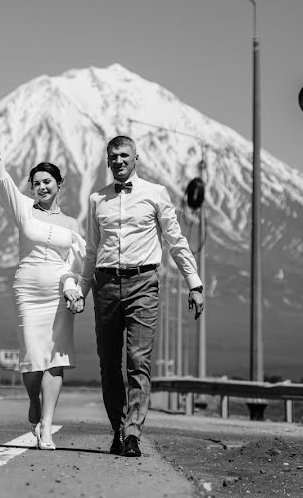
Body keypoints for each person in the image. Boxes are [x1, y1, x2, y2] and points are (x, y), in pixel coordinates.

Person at [77, 135, 204, 457]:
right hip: (105, 284)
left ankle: (133, 432)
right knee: (108, 363)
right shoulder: (96, 200)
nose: (118, 161)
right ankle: (117, 430)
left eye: (124, 155)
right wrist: (80, 291)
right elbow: (91, 250)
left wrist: (194, 283)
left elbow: (175, 240)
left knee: (138, 360)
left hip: (143, 283)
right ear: (107, 161)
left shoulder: (155, 194)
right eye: (113, 156)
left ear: (136, 158)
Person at [0, 117, 85, 450]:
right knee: (32, 360)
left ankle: (47, 427)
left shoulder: (72, 223)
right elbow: (1, 176)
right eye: (36, 182)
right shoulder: (23, 209)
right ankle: (34, 401)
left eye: (47, 181)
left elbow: (78, 263)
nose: (41, 187)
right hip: (28, 291)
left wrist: (74, 291)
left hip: (58, 295)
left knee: (56, 358)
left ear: (58, 184)